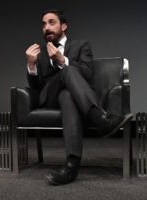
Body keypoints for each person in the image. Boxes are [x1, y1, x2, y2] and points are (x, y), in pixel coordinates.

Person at [25, 9, 133, 185]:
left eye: (51, 22)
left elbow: (88, 73)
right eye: (43, 24)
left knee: (68, 95)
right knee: (67, 72)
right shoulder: (41, 54)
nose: (46, 27)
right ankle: (100, 118)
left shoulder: (81, 46)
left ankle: (71, 166)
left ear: (64, 26)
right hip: (50, 97)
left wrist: (62, 60)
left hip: (70, 96)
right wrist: (31, 64)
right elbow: (36, 88)